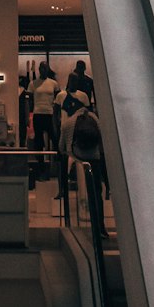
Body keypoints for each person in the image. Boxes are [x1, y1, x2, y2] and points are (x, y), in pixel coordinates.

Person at [59, 94, 108, 237]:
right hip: (95, 158)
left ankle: (83, 219)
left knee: (84, 191)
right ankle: (100, 226)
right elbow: (101, 137)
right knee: (96, 193)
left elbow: (62, 147)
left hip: (79, 158)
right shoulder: (94, 118)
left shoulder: (69, 122)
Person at [28, 61, 59, 177]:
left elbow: (58, 100)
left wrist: (57, 116)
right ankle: (41, 169)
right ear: (39, 69)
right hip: (38, 113)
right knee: (39, 142)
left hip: (50, 114)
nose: (43, 70)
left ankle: (58, 166)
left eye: (45, 68)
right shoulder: (33, 84)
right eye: (41, 68)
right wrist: (28, 116)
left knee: (54, 139)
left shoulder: (54, 84)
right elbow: (29, 100)